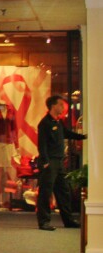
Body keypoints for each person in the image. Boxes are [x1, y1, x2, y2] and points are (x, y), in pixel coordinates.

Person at [36, 94, 86, 231]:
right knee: (46, 192)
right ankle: (44, 222)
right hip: (49, 162)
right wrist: (45, 161)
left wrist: (82, 136)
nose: (62, 107)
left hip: (59, 162)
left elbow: (67, 133)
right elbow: (42, 144)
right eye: (60, 105)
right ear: (53, 106)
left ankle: (68, 220)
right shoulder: (45, 123)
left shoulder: (58, 122)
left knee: (63, 191)